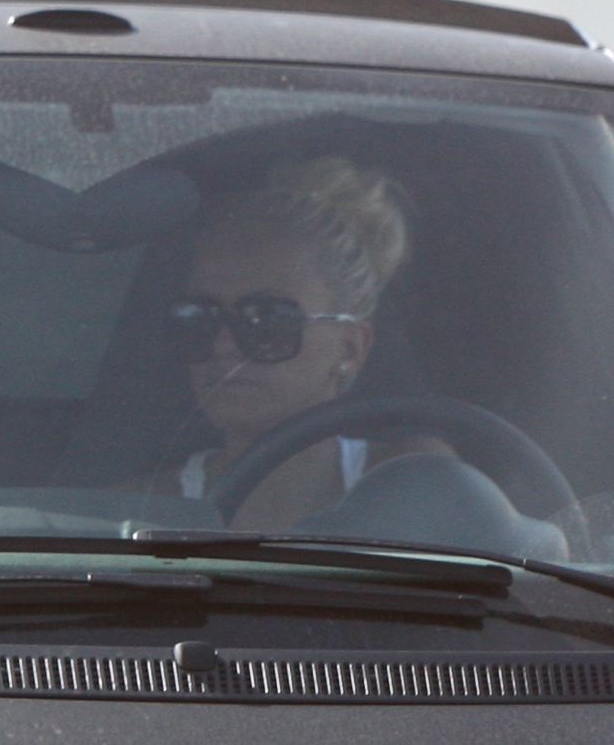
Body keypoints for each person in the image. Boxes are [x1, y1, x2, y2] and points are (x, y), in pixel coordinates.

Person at [161, 155, 432, 532]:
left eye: (268, 319)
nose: (223, 344)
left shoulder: (419, 486)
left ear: (350, 348)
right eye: (199, 317)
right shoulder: (143, 510)